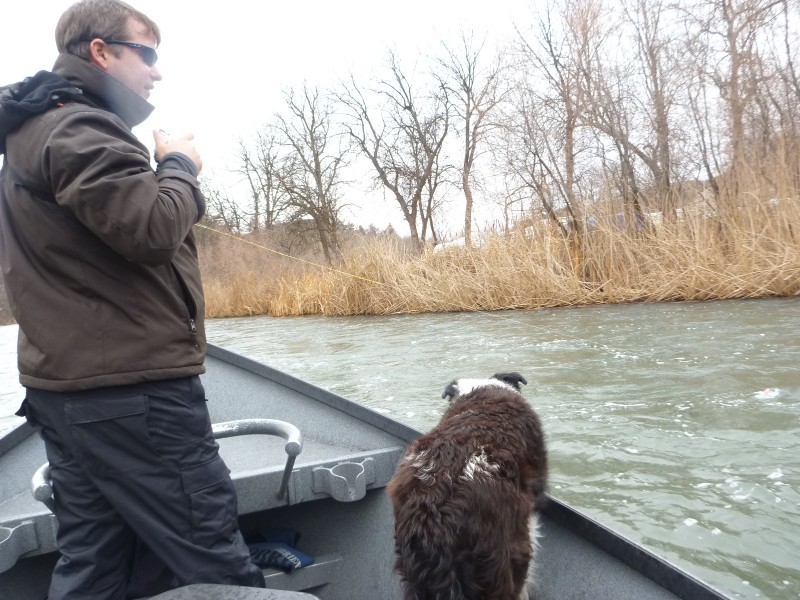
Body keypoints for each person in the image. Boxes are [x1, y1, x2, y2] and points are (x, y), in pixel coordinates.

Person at [0, 1, 266, 598]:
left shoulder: (40, 126)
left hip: (71, 392)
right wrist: (179, 165)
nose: (157, 71)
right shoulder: (76, 127)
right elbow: (150, 229)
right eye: (147, 53)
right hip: (133, 395)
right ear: (101, 51)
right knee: (214, 563)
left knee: (97, 562)